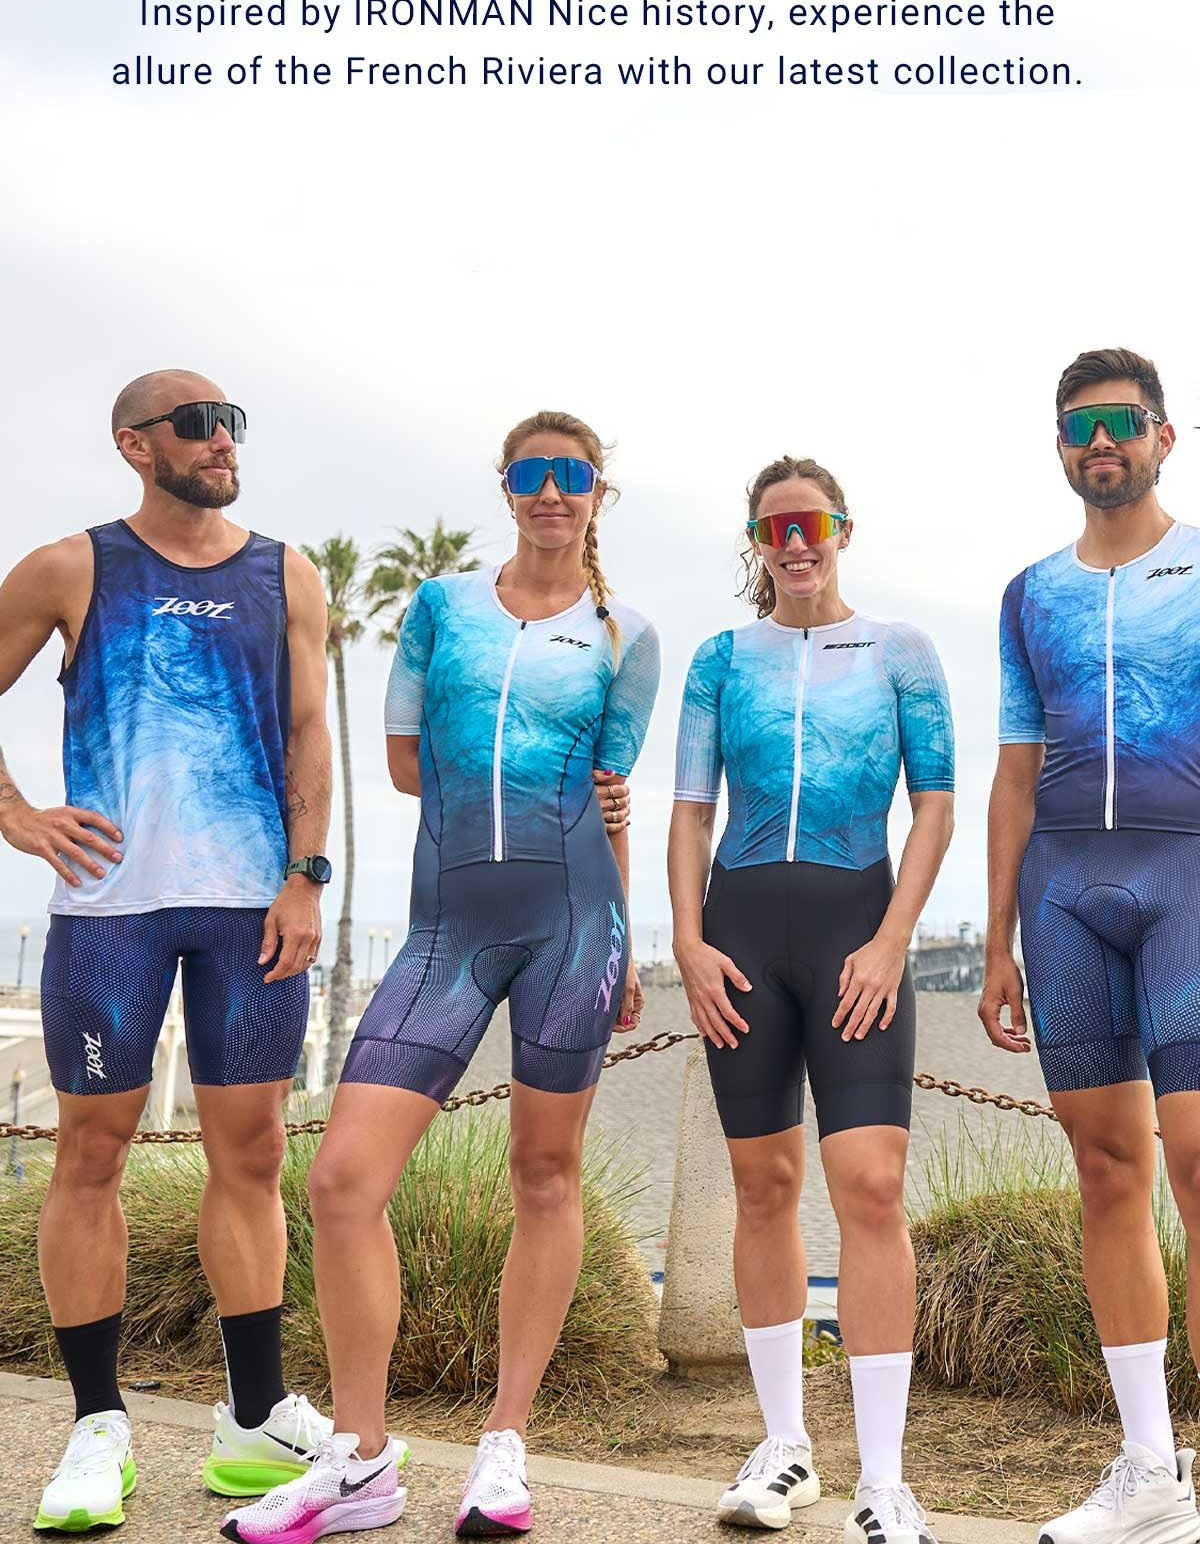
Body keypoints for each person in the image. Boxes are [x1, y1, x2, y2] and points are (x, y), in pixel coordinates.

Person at [224, 409, 660, 1544]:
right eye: (533, 472)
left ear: (598, 493)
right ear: (506, 487)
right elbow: (406, 764)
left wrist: (627, 939)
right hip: (446, 929)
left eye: (573, 474)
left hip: (576, 925)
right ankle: (362, 1460)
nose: (552, 490)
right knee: (342, 1181)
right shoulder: (441, 608)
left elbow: (610, 797)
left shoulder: (628, 635)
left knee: (545, 1174)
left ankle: (505, 1445)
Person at [0, 370, 337, 1532]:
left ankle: (255, 1418)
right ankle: (98, 1428)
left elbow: (309, 729)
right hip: (113, 917)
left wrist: (307, 876)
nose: (222, 440)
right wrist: (17, 816)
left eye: (231, 421)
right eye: (197, 424)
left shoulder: (287, 572)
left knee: (253, 1154)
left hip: (252, 913)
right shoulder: (70, 567)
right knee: (90, 1154)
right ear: (136, 445)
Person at [670, 455, 954, 1539]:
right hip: (740, 939)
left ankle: (884, 1479)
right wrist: (689, 941)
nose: (796, 543)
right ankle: (786, 1447)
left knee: (870, 1187)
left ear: (843, 529)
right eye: (776, 527)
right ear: (757, 540)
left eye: (813, 524)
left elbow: (934, 806)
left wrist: (890, 942)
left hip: (855, 938)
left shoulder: (899, 651)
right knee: (763, 1187)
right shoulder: (721, 659)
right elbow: (691, 811)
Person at [980, 346, 1200, 1544]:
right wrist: (999, 938)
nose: (1099, 440)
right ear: (1060, 447)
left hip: (1190, 878)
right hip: (1063, 893)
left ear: (1164, 434)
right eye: (1078, 425)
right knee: (1109, 1171)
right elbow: (1015, 772)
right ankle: (1152, 1471)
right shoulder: (1030, 596)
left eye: (1120, 419)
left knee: (1199, 1159)